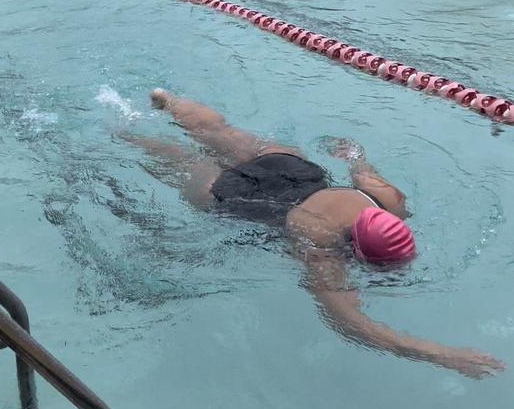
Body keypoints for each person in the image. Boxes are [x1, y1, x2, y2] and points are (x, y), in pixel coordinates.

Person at [123, 88, 504, 379]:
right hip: (246, 199)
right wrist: (441, 355)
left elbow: (360, 165)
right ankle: (124, 132)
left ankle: (165, 100)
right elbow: (350, 323)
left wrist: (353, 155)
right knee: (182, 162)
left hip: (291, 168)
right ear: (357, 251)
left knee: (219, 132)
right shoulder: (321, 245)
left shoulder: (384, 198)